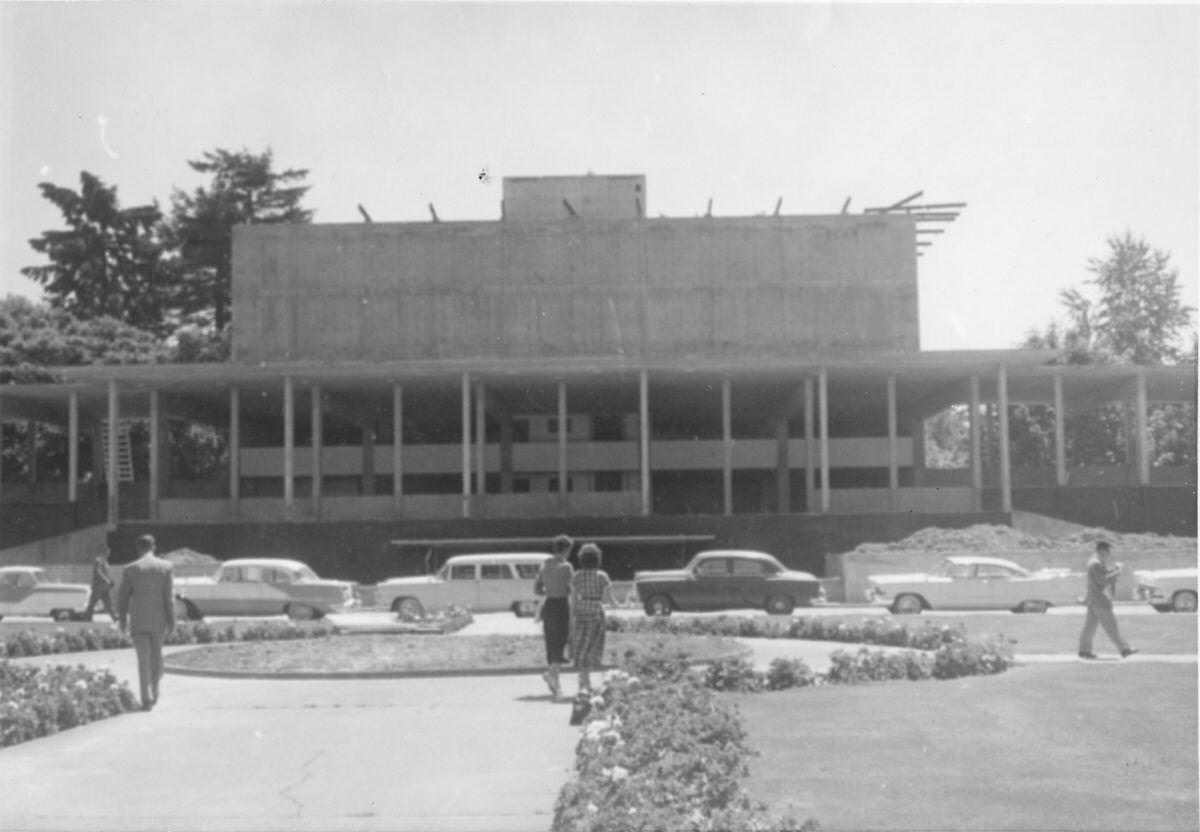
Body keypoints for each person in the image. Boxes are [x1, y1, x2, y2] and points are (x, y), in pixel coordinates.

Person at [117, 535, 177, 710]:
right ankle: (155, 690)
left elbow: (123, 599)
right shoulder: (166, 567)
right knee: (157, 657)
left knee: (143, 660)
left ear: (138, 548)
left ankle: (146, 697)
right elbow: (169, 599)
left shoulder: (130, 569)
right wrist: (172, 621)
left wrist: (122, 620)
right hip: (158, 620)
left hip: (139, 620)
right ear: (154, 547)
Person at [569, 542, 617, 695]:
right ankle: (586, 680)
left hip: (581, 611)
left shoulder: (577, 576)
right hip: (596, 611)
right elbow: (609, 599)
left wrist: (573, 615)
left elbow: (574, 599)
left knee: (581, 646)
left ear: (582, 559)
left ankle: (584, 680)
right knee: (593, 646)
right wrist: (618, 604)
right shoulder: (602, 576)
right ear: (597, 559)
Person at [1078, 540, 1137, 660]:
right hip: (1100, 600)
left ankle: (1084, 650)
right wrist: (1116, 572)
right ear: (1100, 551)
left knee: (1090, 627)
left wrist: (1113, 571)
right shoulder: (1096, 564)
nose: (1108, 553)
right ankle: (1124, 649)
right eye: (1106, 551)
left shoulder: (1095, 563)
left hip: (1094, 600)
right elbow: (1102, 581)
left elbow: (1101, 578)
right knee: (1111, 626)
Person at [534, 534, 574, 697]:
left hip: (548, 605)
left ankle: (551, 673)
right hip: (561, 605)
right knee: (561, 642)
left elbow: (537, 590)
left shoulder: (544, 566)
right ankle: (555, 681)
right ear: (566, 550)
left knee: (551, 643)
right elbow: (572, 589)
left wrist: (549, 588)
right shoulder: (566, 567)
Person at [83, 547, 116, 622]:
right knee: (92, 603)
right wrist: (106, 580)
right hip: (98, 586)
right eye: (107, 553)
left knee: (108, 603)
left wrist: (111, 581)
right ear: (103, 552)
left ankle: (114, 617)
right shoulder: (98, 560)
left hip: (105, 587)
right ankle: (87, 618)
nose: (108, 554)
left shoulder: (105, 561)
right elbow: (98, 571)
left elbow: (106, 573)